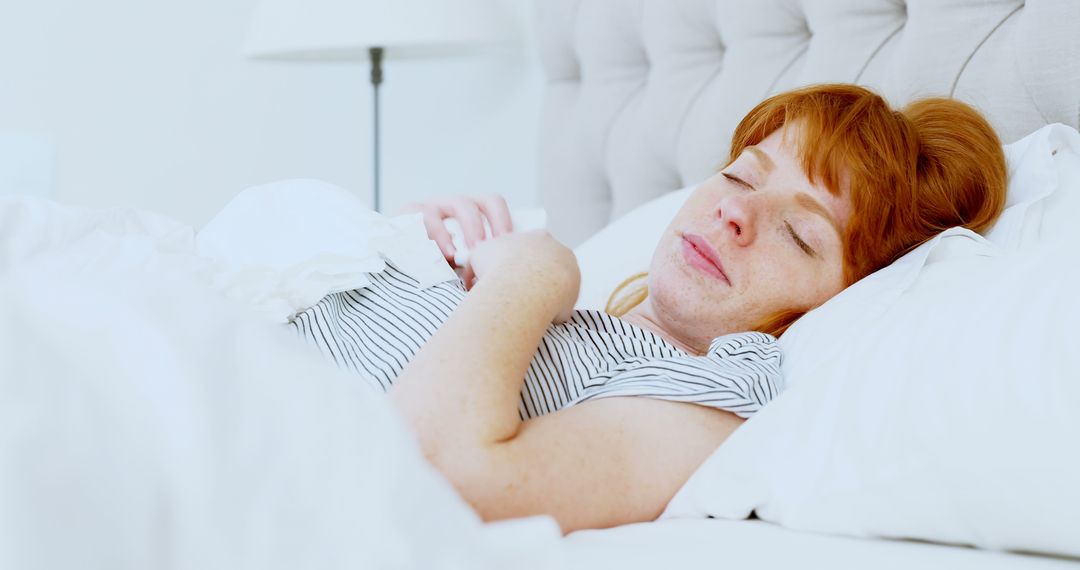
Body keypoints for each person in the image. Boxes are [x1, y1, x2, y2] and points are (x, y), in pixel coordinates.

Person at [290, 84, 1006, 532]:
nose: (733, 210)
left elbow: (426, 479)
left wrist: (531, 274)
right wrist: (395, 255)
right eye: (738, 174)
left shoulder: (709, 405)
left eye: (798, 232)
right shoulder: (582, 325)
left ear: (839, 302)